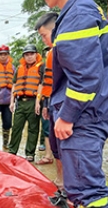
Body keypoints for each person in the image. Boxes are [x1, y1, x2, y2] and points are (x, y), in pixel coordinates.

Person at [40, 0, 108, 207]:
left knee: (87, 194)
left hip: (83, 116)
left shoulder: (78, 14)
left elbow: (84, 75)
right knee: (80, 191)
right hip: (90, 111)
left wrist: (68, 115)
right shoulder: (83, 11)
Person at [34, 13, 65, 192]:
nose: (44, 40)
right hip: (53, 104)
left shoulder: (67, 49)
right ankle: (60, 180)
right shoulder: (51, 53)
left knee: (66, 146)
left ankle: (71, 185)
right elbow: (49, 83)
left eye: (44, 35)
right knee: (55, 145)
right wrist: (46, 104)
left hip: (66, 107)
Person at [8, 44, 44, 162]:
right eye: (26, 55)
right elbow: (14, 85)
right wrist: (11, 102)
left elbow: (41, 85)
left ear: (36, 55)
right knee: (16, 127)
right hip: (20, 101)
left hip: (33, 101)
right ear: (24, 56)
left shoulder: (41, 67)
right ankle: (12, 151)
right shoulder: (19, 69)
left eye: (31, 54)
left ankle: (30, 153)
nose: (29, 57)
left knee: (33, 128)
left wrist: (38, 102)